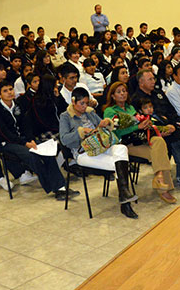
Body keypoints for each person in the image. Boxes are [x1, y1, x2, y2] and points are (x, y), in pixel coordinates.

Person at [0, 81, 78, 200]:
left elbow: (26, 125)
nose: (9, 92)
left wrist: (31, 139)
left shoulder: (17, 105)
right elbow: (4, 132)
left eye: (10, 89)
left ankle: (61, 187)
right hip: (5, 143)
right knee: (32, 156)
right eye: (5, 91)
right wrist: (25, 143)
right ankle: (55, 188)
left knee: (47, 152)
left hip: (23, 140)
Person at [59, 87, 138, 218]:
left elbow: (101, 126)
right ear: (73, 101)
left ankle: (124, 197)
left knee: (122, 149)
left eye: (86, 103)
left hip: (100, 145)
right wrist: (80, 132)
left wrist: (106, 123)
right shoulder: (65, 117)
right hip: (83, 153)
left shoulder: (90, 112)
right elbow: (64, 139)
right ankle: (125, 203)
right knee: (119, 163)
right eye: (81, 103)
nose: (84, 106)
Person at [103, 82, 177, 204]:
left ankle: (159, 178)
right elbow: (116, 133)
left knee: (159, 141)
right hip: (125, 145)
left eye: (124, 91)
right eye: (119, 92)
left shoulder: (131, 108)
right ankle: (163, 188)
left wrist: (159, 129)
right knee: (159, 150)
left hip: (141, 139)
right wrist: (137, 127)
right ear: (112, 96)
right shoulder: (109, 111)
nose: (122, 94)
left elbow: (142, 126)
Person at [135, 97, 180, 186]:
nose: (149, 109)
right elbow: (151, 132)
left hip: (176, 137)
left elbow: (169, 121)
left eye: (150, 107)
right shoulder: (145, 121)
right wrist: (162, 132)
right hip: (169, 141)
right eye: (145, 108)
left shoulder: (158, 115)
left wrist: (171, 126)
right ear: (140, 110)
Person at [25, 75, 63, 143]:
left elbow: (65, 109)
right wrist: (59, 128)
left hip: (58, 127)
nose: (56, 87)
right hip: (45, 131)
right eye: (54, 85)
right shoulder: (37, 101)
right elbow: (43, 122)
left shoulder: (53, 95)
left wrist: (59, 97)